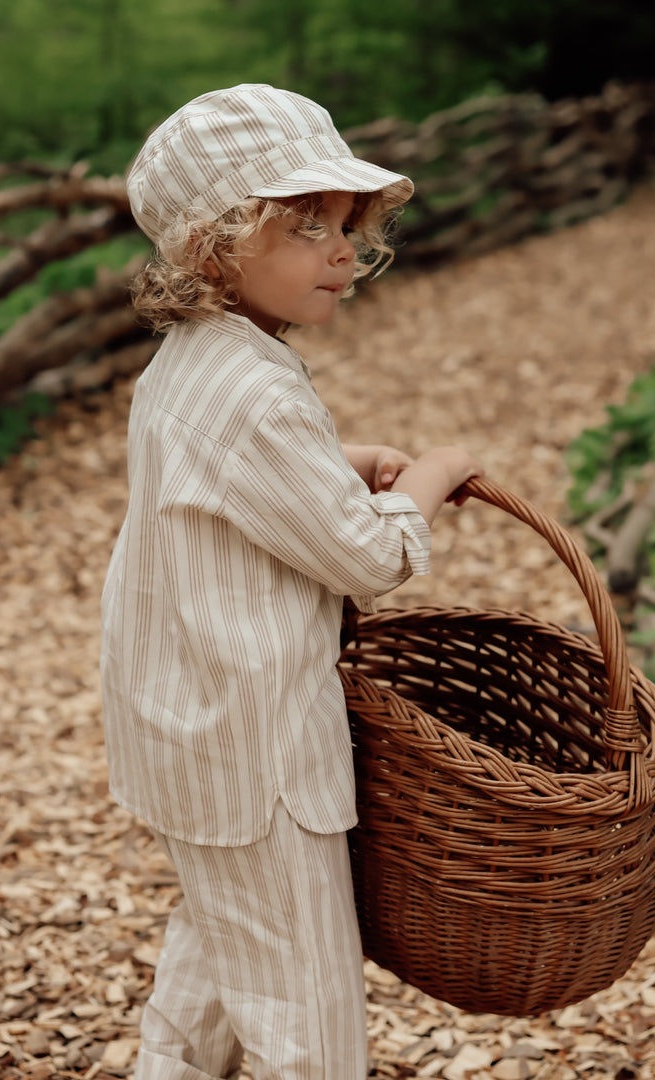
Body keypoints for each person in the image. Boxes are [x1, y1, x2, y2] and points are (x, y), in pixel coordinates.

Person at [100, 83, 482, 1080]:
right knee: (304, 1014)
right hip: (257, 750)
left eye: (349, 227)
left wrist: (333, 458)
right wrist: (437, 477)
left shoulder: (193, 362)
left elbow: (221, 480)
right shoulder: (257, 389)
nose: (343, 252)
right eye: (305, 227)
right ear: (213, 243)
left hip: (189, 732)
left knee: (221, 959)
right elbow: (365, 556)